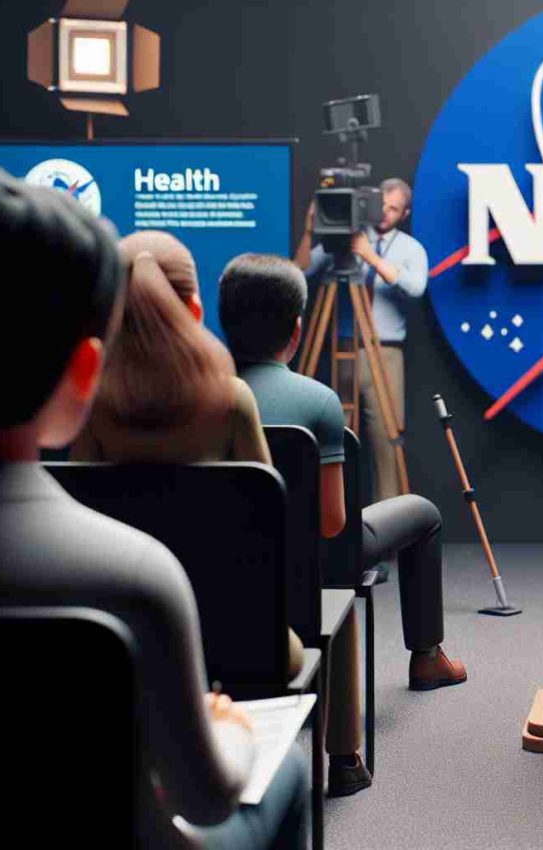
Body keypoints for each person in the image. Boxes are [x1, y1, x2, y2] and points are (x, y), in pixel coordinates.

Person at [0, 172, 308, 848]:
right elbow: (206, 796)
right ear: (82, 376)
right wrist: (230, 729)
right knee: (290, 771)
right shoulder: (135, 576)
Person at [219, 253, 466, 700]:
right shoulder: (318, 401)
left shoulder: (201, 396)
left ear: (224, 321)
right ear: (296, 330)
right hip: (321, 561)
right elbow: (333, 525)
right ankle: (427, 658)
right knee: (424, 513)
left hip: (228, 556)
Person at [68, 231, 305, 680]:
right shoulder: (232, 399)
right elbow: (272, 521)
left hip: (120, 638)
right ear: (196, 310)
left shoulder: (93, 404)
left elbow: (84, 512)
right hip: (238, 637)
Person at [295, 178, 427, 503]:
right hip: (341, 351)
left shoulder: (411, 249)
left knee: (386, 440)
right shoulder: (344, 242)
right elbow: (299, 272)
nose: (385, 213)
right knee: (335, 442)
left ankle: (390, 522)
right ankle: (335, 523)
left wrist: (370, 257)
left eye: (394, 208)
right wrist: (311, 230)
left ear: (405, 213)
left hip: (384, 352)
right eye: (381, 204)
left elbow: (415, 288)